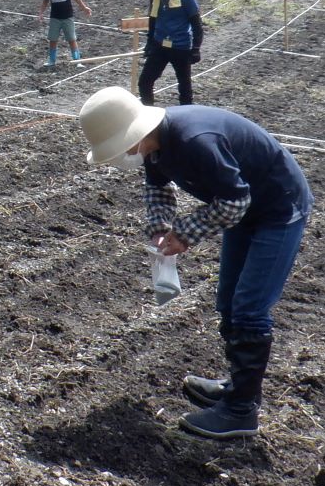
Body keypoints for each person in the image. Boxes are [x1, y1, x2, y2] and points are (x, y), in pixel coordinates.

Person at [77, 86, 312, 439]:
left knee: (250, 307)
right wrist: (159, 229)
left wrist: (183, 234)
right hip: (246, 211)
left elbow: (234, 202)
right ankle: (238, 389)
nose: (120, 155)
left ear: (134, 135)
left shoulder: (195, 141)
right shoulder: (155, 148)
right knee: (229, 301)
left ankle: (240, 412)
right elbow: (159, 190)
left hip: (279, 208)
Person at [137, 0, 203, 107]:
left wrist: (196, 48)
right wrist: (150, 43)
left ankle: (187, 114)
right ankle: (148, 114)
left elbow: (197, 24)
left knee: (184, 85)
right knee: (145, 82)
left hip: (180, 47)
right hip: (159, 45)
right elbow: (153, 19)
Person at [39, 0, 93, 69]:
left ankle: (78, 61)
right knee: (53, 39)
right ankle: (52, 60)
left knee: (72, 39)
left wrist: (84, 7)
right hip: (55, 17)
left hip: (68, 17)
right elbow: (45, 1)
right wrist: (41, 13)